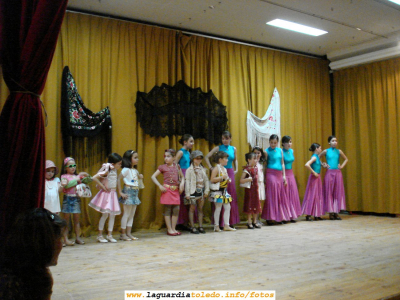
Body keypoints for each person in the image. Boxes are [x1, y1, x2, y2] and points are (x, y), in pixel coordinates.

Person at [0, 208, 66, 300]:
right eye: (58, 238)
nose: (60, 245)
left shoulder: (36, 274)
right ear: (42, 243)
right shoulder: (12, 285)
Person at [205, 131, 240, 228]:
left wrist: (236, 169)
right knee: (220, 195)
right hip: (220, 171)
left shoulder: (234, 148)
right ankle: (219, 223)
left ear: (230, 138)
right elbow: (207, 157)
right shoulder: (218, 148)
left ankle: (229, 222)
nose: (225, 140)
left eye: (227, 138)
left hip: (230, 172)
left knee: (230, 196)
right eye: (223, 138)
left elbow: (235, 159)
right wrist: (211, 168)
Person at [89, 153, 123, 243]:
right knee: (105, 215)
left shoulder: (115, 170)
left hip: (113, 194)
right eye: (119, 164)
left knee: (112, 215)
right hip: (107, 194)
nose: (120, 165)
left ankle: (109, 235)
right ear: (112, 164)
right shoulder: (107, 170)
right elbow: (94, 178)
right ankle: (100, 235)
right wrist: (103, 187)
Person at [151, 149, 185, 236]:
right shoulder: (162, 167)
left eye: (168, 156)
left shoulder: (177, 167)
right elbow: (153, 177)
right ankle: (169, 229)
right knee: (168, 209)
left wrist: (182, 184)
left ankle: (173, 228)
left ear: (174, 158)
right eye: (165, 156)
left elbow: (182, 177)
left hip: (175, 190)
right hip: (167, 190)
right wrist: (159, 185)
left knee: (176, 209)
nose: (166, 158)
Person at [60, 157, 92, 246]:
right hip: (67, 198)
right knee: (66, 220)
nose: (73, 167)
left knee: (77, 220)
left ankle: (78, 237)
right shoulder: (64, 176)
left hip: (76, 199)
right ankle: (65, 239)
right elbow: (66, 186)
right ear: (66, 167)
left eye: (74, 165)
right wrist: (77, 178)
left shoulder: (77, 176)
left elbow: (88, 180)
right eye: (70, 166)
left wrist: (86, 175)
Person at [261, 134, 291, 225]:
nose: (273, 144)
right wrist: (264, 177)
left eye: (275, 143)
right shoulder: (266, 151)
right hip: (271, 174)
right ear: (269, 142)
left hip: (279, 174)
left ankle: (280, 217)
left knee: (280, 195)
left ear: (277, 143)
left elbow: (282, 163)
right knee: (272, 195)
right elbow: (265, 165)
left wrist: (284, 176)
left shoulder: (280, 151)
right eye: (271, 143)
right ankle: (270, 217)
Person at [319, 135, 348, 220]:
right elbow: (318, 157)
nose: (335, 142)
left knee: (337, 192)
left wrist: (341, 166)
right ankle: (331, 212)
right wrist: (323, 164)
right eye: (333, 141)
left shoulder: (339, 151)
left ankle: (336, 212)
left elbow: (346, 159)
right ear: (329, 142)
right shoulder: (326, 151)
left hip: (338, 173)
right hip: (329, 173)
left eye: (336, 141)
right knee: (329, 192)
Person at [118, 150, 143, 241]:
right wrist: (120, 192)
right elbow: (118, 179)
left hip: (135, 192)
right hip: (128, 191)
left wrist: (140, 178)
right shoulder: (126, 170)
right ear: (129, 159)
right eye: (135, 157)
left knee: (131, 214)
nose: (137, 159)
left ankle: (128, 233)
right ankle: (123, 234)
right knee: (126, 213)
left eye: (137, 157)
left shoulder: (135, 170)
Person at [209, 151, 236, 232]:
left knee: (228, 207)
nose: (227, 160)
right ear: (220, 159)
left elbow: (225, 178)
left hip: (224, 191)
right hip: (218, 191)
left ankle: (226, 225)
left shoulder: (224, 169)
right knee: (218, 208)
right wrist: (222, 178)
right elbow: (212, 179)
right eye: (225, 159)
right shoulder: (216, 168)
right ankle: (216, 226)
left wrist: (227, 179)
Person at [184, 150, 209, 234]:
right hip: (192, 191)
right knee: (192, 209)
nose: (198, 160)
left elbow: (206, 180)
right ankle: (192, 226)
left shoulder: (203, 169)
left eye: (200, 158)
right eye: (196, 158)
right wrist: (187, 193)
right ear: (193, 159)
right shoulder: (189, 170)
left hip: (201, 191)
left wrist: (206, 190)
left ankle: (200, 226)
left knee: (200, 209)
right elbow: (187, 182)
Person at [175, 134, 194, 230]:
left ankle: (186, 222)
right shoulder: (181, 152)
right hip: (182, 175)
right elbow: (174, 164)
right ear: (185, 142)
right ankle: (179, 222)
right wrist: (178, 177)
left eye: (193, 141)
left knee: (187, 199)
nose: (192, 143)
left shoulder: (188, 153)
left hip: (188, 175)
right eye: (191, 141)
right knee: (181, 199)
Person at [302, 143, 324, 221]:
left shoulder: (317, 157)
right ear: (316, 149)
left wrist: (323, 165)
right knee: (311, 195)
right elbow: (307, 164)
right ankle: (308, 214)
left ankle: (316, 214)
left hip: (317, 178)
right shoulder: (314, 157)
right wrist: (314, 172)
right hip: (314, 178)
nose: (321, 150)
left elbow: (318, 164)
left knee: (317, 195)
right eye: (320, 148)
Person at [282, 136, 301, 222]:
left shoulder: (292, 151)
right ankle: (285, 216)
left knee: (292, 194)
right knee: (285, 195)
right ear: (283, 143)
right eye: (287, 142)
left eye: (290, 142)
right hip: (284, 173)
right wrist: (283, 176)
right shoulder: (281, 151)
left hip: (291, 173)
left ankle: (292, 215)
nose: (289, 144)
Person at [240, 152, 262, 229]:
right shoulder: (246, 169)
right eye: (254, 159)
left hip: (255, 190)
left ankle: (255, 221)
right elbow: (241, 180)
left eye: (256, 159)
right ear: (249, 160)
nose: (255, 160)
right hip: (249, 191)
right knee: (249, 205)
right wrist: (247, 179)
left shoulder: (256, 168)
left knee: (256, 204)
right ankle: (249, 221)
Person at [252, 146, 265, 227]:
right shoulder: (252, 163)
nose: (257, 155)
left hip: (261, 184)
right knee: (255, 202)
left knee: (260, 202)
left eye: (258, 153)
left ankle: (257, 219)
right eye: (255, 153)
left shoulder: (261, 164)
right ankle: (254, 220)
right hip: (255, 185)